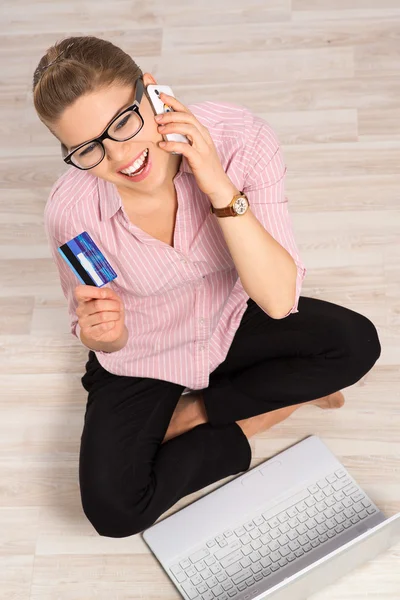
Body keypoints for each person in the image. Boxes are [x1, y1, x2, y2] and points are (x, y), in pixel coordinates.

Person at [32, 36, 381, 539]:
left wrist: (217, 184)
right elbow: (94, 324)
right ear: (70, 153)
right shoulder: (72, 214)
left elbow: (280, 300)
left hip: (234, 315)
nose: (121, 155)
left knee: (355, 343)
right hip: (146, 350)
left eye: (124, 122)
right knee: (113, 511)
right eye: (88, 149)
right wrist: (101, 335)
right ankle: (265, 409)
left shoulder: (242, 139)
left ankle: (195, 412)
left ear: (151, 92)